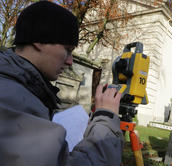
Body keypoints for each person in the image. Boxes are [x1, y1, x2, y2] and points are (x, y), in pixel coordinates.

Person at [0, 1, 123, 166]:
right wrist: (105, 118)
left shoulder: (19, 87)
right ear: (39, 40)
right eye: (68, 50)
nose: (70, 61)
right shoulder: (10, 96)